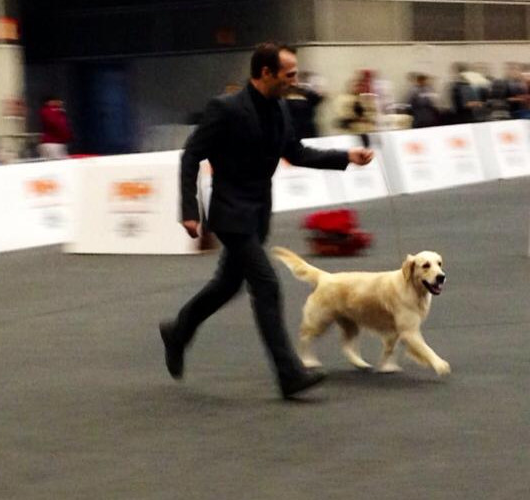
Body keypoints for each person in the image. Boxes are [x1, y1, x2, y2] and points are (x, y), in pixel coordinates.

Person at [159, 42, 374, 400]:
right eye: (289, 74)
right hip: (231, 213)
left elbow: (296, 152)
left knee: (227, 285)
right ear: (265, 73)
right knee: (267, 285)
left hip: (258, 214)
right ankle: (289, 375)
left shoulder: (280, 108)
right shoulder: (225, 108)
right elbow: (191, 155)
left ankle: (177, 331)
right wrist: (189, 211)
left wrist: (347, 156)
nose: (295, 80)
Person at [38, 95, 72, 159]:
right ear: (49, 102)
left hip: (57, 143)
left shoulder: (57, 111)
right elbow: (59, 125)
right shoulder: (50, 111)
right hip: (53, 143)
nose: (59, 103)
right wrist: (67, 136)